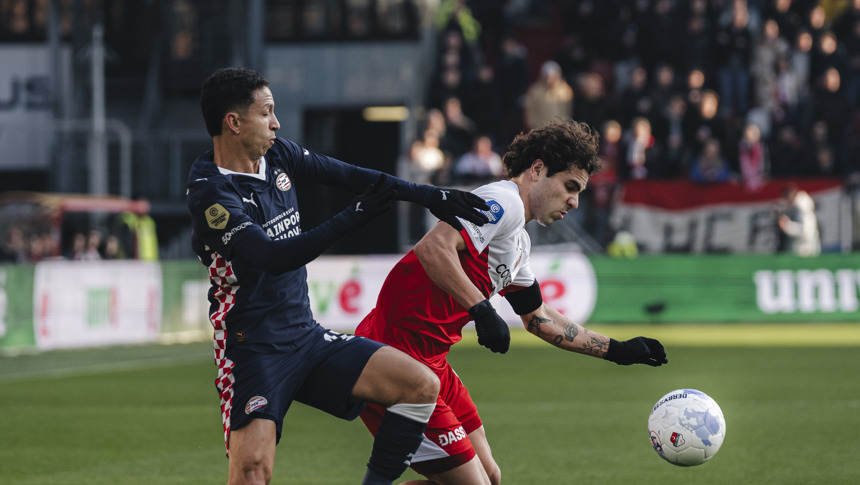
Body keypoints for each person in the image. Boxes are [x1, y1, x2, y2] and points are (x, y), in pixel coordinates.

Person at [185, 67, 491, 485]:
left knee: (419, 385)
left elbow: (354, 176)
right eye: (267, 113)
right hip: (252, 348)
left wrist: (432, 195)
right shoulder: (211, 193)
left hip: (306, 336)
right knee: (252, 472)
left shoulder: (278, 156)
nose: (276, 123)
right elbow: (270, 256)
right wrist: (352, 219)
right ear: (233, 122)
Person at [356, 119, 668, 485]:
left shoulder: (518, 242)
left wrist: (617, 350)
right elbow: (432, 248)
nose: (574, 201)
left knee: (490, 475)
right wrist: (482, 308)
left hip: (430, 361)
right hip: (395, 355)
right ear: (537, 170)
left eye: (579, 191)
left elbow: (539, 318)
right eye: (570, 186)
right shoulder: (503, 202)